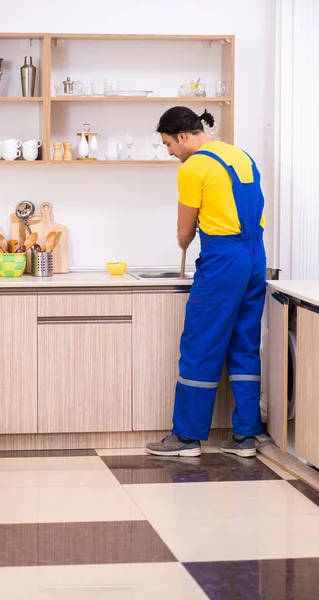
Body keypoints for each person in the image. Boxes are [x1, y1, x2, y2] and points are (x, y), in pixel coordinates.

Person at [146, 106, 266, 459]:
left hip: (223, 260)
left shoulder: (194, 166)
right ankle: (245, 437)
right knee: (245, 344)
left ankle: (186, 437)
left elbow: (185, 231)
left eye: (168, 143)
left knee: (201, 343)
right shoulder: (240, 155)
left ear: (183, 136)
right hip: (256, 256)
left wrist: (183, 242)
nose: (169, 151)